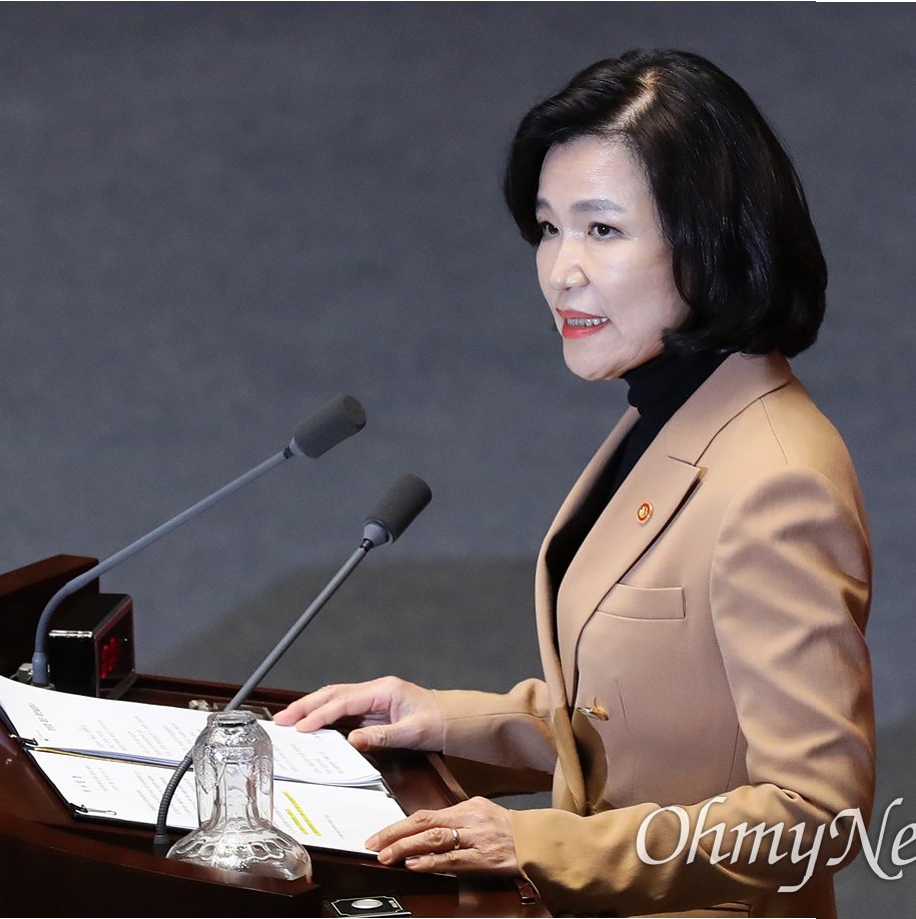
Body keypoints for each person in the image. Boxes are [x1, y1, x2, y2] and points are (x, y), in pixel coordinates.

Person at [274, 49, 875, 918]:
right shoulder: (669, 411)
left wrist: (534, 843)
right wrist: (442, 721)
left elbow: (815, 815)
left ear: (707, 238)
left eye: (602, 230)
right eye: (549, 228)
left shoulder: (776, 479)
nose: (560, 271)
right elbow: (643, 718)